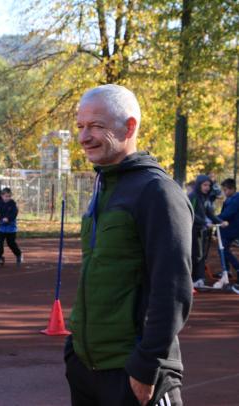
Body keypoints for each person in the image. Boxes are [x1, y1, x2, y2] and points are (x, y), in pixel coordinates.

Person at [66, 84, 193, 406]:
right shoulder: (104, 185)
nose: (84, 137)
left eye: (96, 126)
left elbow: (173, 289)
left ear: (130, 126)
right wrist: (74, 351)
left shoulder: (157, 192)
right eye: (81, 126)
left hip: (134, 373)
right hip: (87, 368)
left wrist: (147, 366)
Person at [188, 175, 227, 287]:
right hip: (193, 230)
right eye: (205, 185)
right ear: (199, 184)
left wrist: (221, 221)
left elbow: (210, 214)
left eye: (209, 185)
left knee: (202, 255)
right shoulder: (193, 197)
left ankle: (199, 279)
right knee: (195, 255)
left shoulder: (206, 198)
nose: (207, 187)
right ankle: (192, 279)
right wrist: (205, 223)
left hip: (203, 230)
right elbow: (191, 213)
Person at [0, 187, 23, 265]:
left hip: (11, 228)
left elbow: (14, 214)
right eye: (6, 196)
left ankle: (18, 254)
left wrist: (8, 218)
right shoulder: (0, 203)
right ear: (2, 196)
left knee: (11, 243)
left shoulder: (13, 204)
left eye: (9, 196)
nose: (7, 198)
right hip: (2, 227)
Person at [218, 178, 239, 284]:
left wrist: (214, 218)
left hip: (233, 229)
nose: (224, 192)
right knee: (222, 249)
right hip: (228, 228)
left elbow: (228, 214)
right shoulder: (230, 198)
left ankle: (237, 268)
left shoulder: (236, 199)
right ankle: (226, 271)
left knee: (224, 249)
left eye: (225, 190)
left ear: (232, 189)